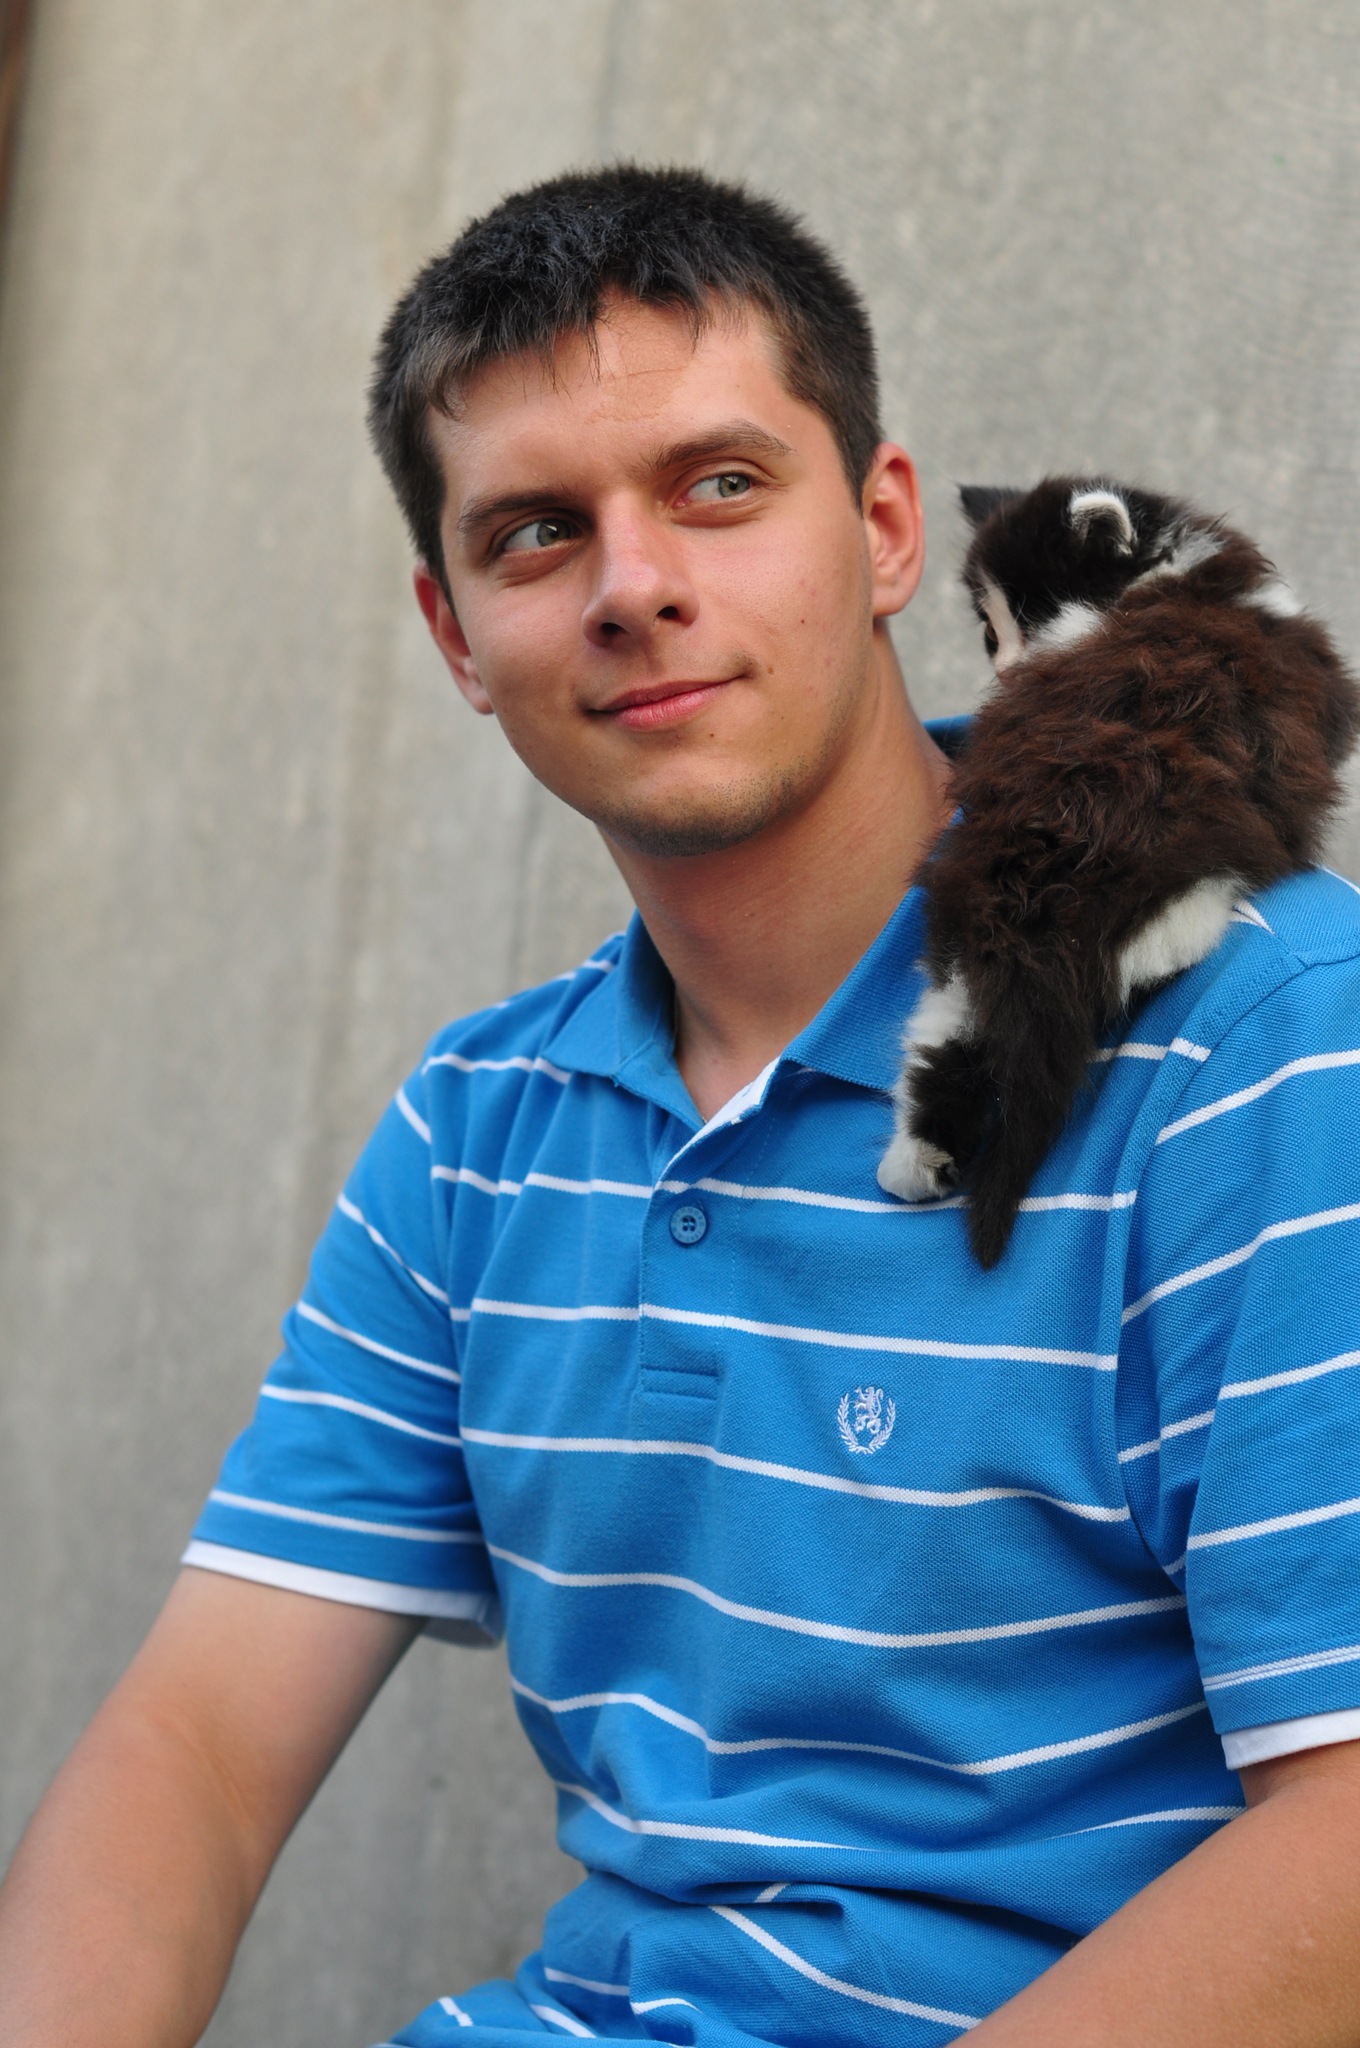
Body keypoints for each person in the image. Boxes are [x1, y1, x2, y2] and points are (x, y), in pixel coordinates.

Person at [4, 163, 1360, 2048]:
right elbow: (200, 1747)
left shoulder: (1256, 1033)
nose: (635, 586)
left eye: (719, 485)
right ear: (456, 635)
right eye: (537, 533)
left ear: (884, 531)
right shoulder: (481, 1132)